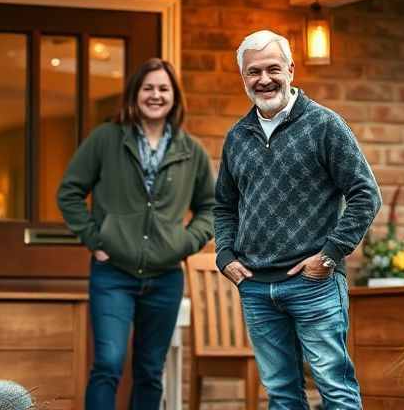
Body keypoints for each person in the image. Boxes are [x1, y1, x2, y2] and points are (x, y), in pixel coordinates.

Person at [214, 30, 381, 409]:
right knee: (281, 395)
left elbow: (365, 194)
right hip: (256, 287)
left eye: (273, 68)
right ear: (243, 77)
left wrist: (329, 256)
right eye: (253, 72)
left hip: (313, 284)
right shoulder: (237, 136)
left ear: (291, 69)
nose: (264, 79)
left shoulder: (325, 125)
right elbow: (224, 205)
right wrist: (225, 256)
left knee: (335, 390)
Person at [57, 58, 216, 409]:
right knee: (108, 364)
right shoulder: (106, 139)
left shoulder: (191, 152)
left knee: (149, 369)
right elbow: (69, 192)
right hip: (113, 273)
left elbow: (212, 207)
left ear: (174, 96)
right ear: (134, 94)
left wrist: (186, 243)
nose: (155, 95)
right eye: (148, 88)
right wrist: (94, 239)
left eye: (163, 88)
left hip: (165, 278)